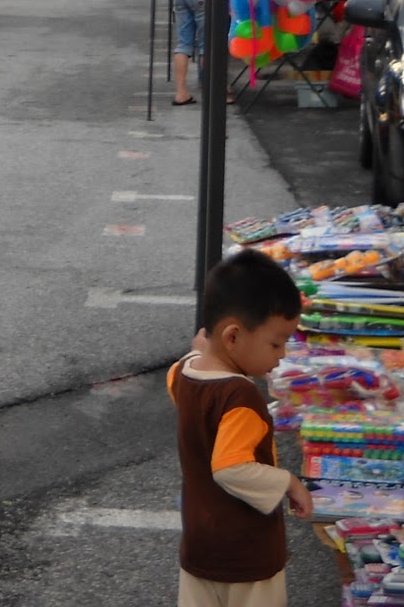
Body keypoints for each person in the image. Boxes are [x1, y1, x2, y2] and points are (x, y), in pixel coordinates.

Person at [168, 247, 309, 607]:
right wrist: (288, 482)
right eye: (275, 343)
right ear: (232, 337)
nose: (282, 355)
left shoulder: (184, 375)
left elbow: (189, 366)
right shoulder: (240, 397)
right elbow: (231, 467)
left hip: (200, 546)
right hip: (246, 555)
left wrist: (201, 350)